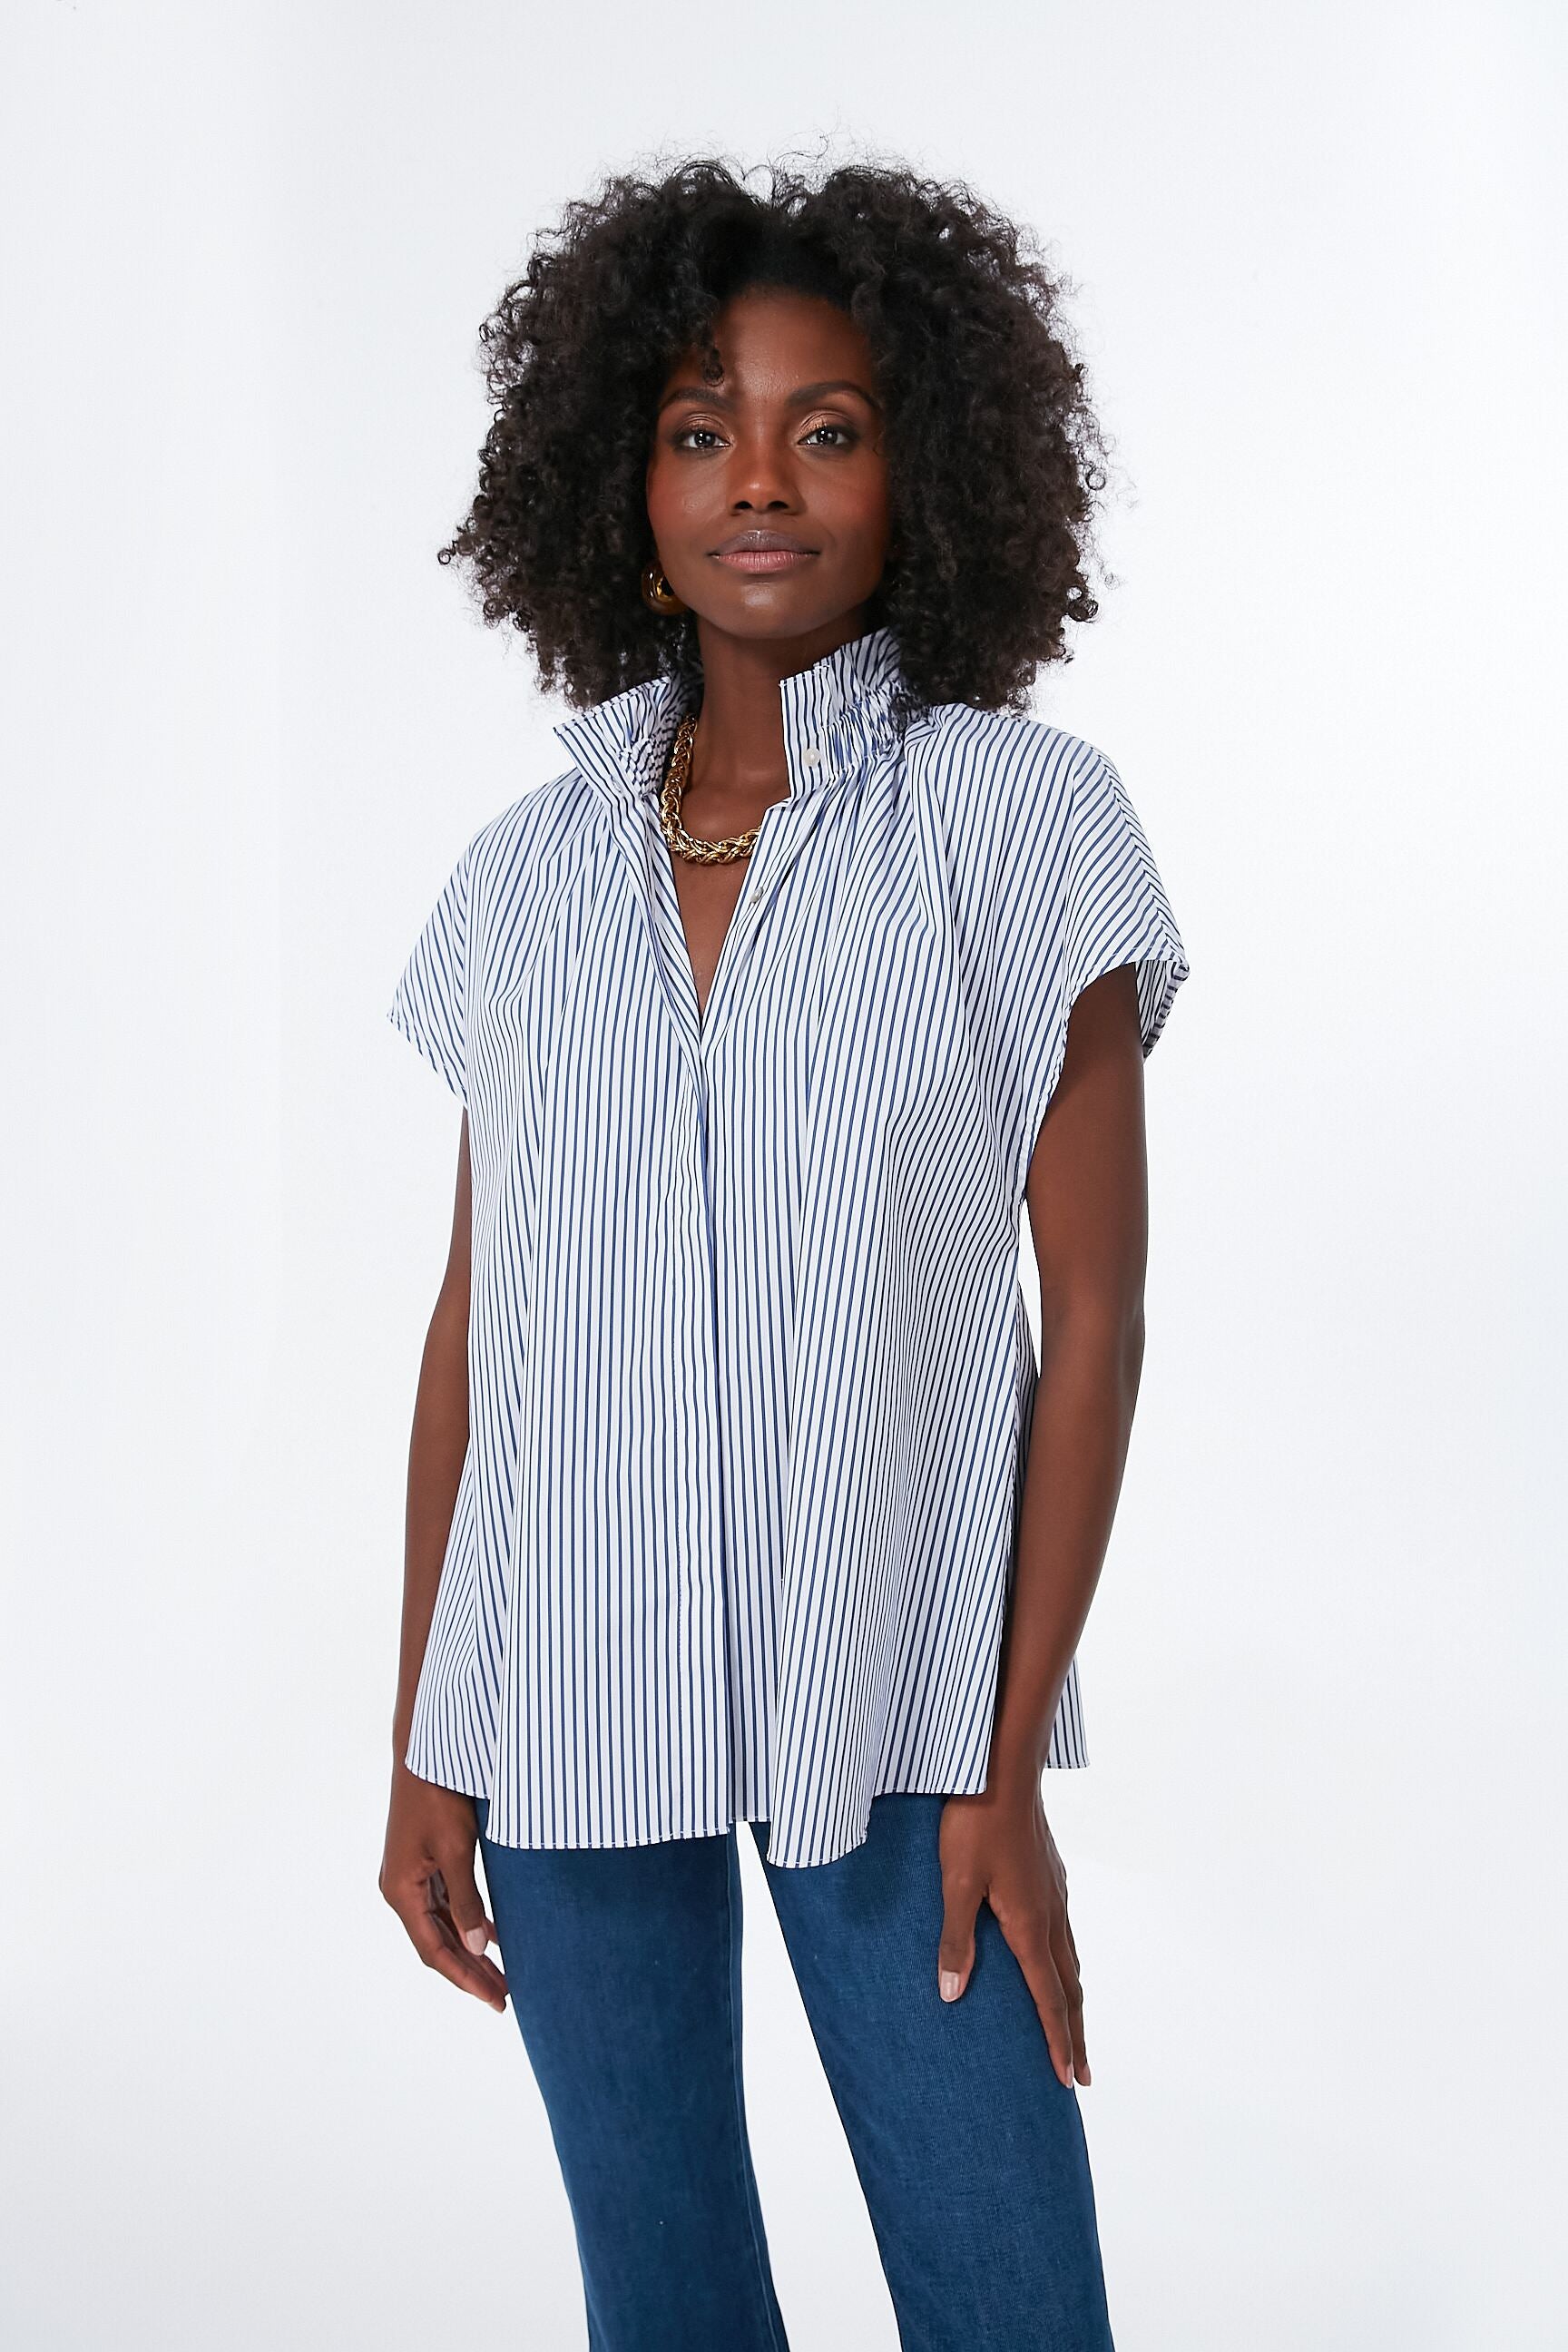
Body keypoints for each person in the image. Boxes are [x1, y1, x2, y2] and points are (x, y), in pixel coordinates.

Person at [379, 153, 1190, 2351]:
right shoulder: (526, 876)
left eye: (827, 427)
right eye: (699, 430)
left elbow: (1095, 1325)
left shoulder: (1026, 820)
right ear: (616, 481)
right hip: (555, 1690)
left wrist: (1012, 1767)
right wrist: (420, 1732)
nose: (761, 482)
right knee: (662, 2300)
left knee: (1011, 2296)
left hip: (905, 1699)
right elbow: (484, 1331)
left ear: (924, 461)